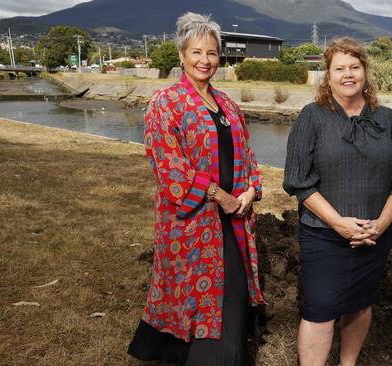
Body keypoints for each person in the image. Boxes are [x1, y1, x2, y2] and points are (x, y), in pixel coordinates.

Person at [127, 12, 264, 366]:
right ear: (181, 56)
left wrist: (250, 191)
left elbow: (247, 155)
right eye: (196, 53)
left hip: (233, 219)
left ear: (220, 57)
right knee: (191, 297)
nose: (205, 60)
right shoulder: (165, 103)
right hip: (189, 225)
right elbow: (169, 167)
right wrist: (221, 196)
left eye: (212, 53)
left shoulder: (229, 106)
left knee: (230, 292)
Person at [282, 37, 392, 366]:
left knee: (360, 303)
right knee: (319, 309)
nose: (348, 75)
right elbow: (297, 180)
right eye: (339, 68)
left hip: (374, 236)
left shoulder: (386, 119)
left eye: (354, 67)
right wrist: (339, 223)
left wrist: (382, 224)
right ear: (328, 77)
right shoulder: (311, 117)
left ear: (365, 73)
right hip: (324, 235)